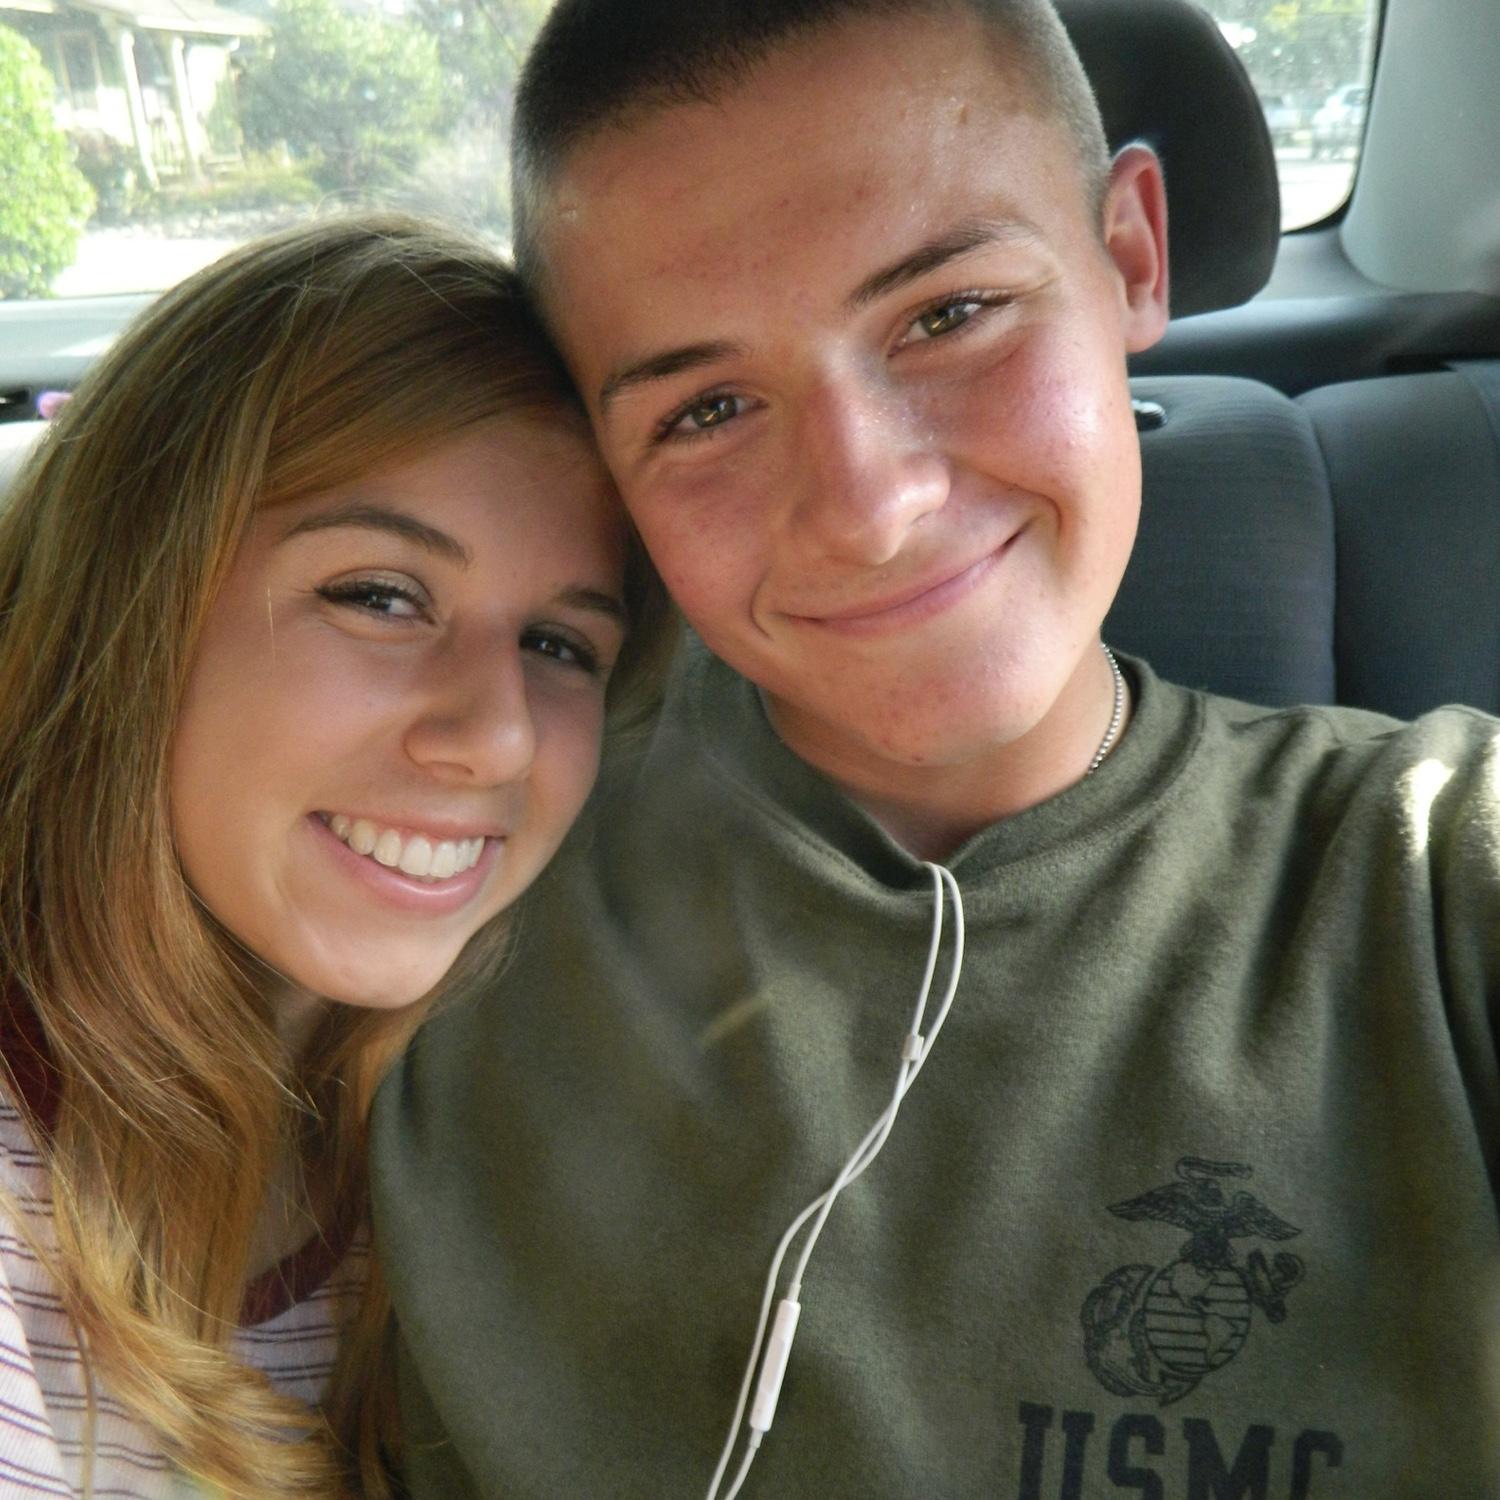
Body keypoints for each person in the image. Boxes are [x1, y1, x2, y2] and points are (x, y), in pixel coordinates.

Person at [370, 2, 1500, 1496]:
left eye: (951, 313)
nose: (868, 507)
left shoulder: (1437, 872)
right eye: (709, 408)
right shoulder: (439, 870)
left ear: (1131, 257)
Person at [0, 212, 670, 1499]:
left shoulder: (495, 1137)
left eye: (559, 646)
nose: (497, 737)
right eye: (378, 596)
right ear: (133, 600)